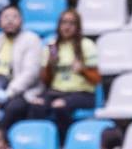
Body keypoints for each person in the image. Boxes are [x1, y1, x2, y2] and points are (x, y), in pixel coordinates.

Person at [32, 9, 99, 140]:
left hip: (83, 93)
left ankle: (65, 142)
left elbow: (96, 80)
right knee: (36, 103)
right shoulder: (52, 46)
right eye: (63, 22)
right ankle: (43, 142)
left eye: (71, 23)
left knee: (60, 106)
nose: (67, 26)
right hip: (56, 91)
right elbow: (45, 81)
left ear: (78, 26)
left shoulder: (87, 45)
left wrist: (83, 70)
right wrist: (50, 65)